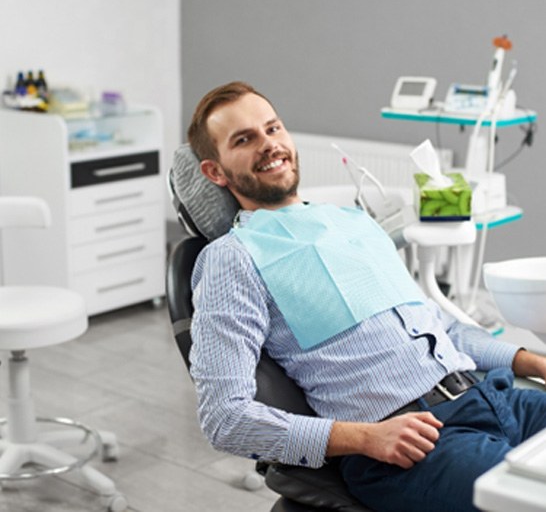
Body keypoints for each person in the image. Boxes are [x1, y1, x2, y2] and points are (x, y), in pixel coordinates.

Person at [186, 81, 546, 512]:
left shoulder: (354, 222)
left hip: (493, 397)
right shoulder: (232, 259)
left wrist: (534, 362)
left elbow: (442, 327)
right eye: (244, 139)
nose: (269, 144)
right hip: (412, 445)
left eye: (273, 128)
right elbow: (224, 419)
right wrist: (365, 438)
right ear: (215, 172)